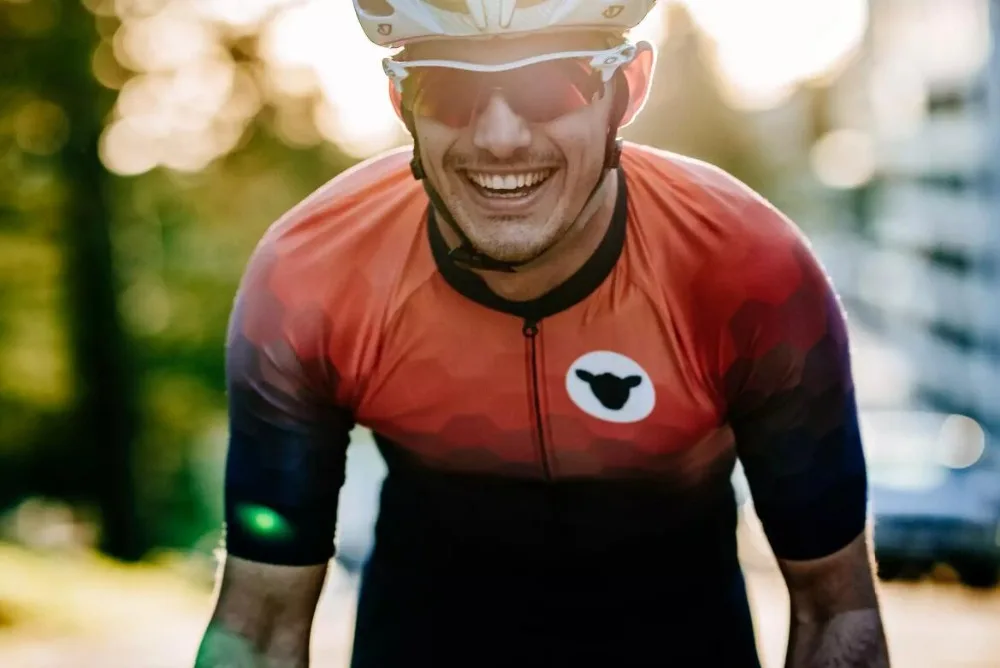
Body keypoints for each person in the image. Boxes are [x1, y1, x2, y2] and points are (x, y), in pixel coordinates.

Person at [195, 1, 890, 666]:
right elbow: (259, 628)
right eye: (449, 92)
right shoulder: (312, 278)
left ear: (627, 90)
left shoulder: (749, 269)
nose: (500, 138)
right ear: (400, 102)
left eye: (552, 85)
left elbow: (836, 614)